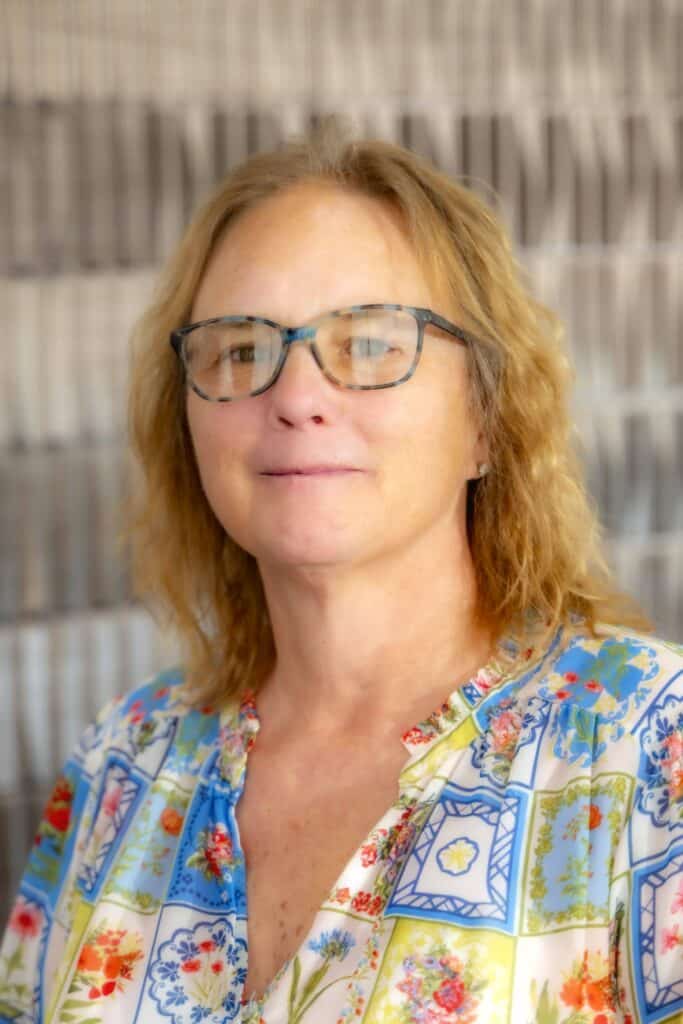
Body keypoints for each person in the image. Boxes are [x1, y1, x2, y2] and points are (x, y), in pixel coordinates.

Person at [1, 123, 681, 1024]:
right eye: (241, 349)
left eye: (368, 343)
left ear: (485, 418)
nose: (296, 397)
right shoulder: (123, 760)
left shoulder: (652, 751)